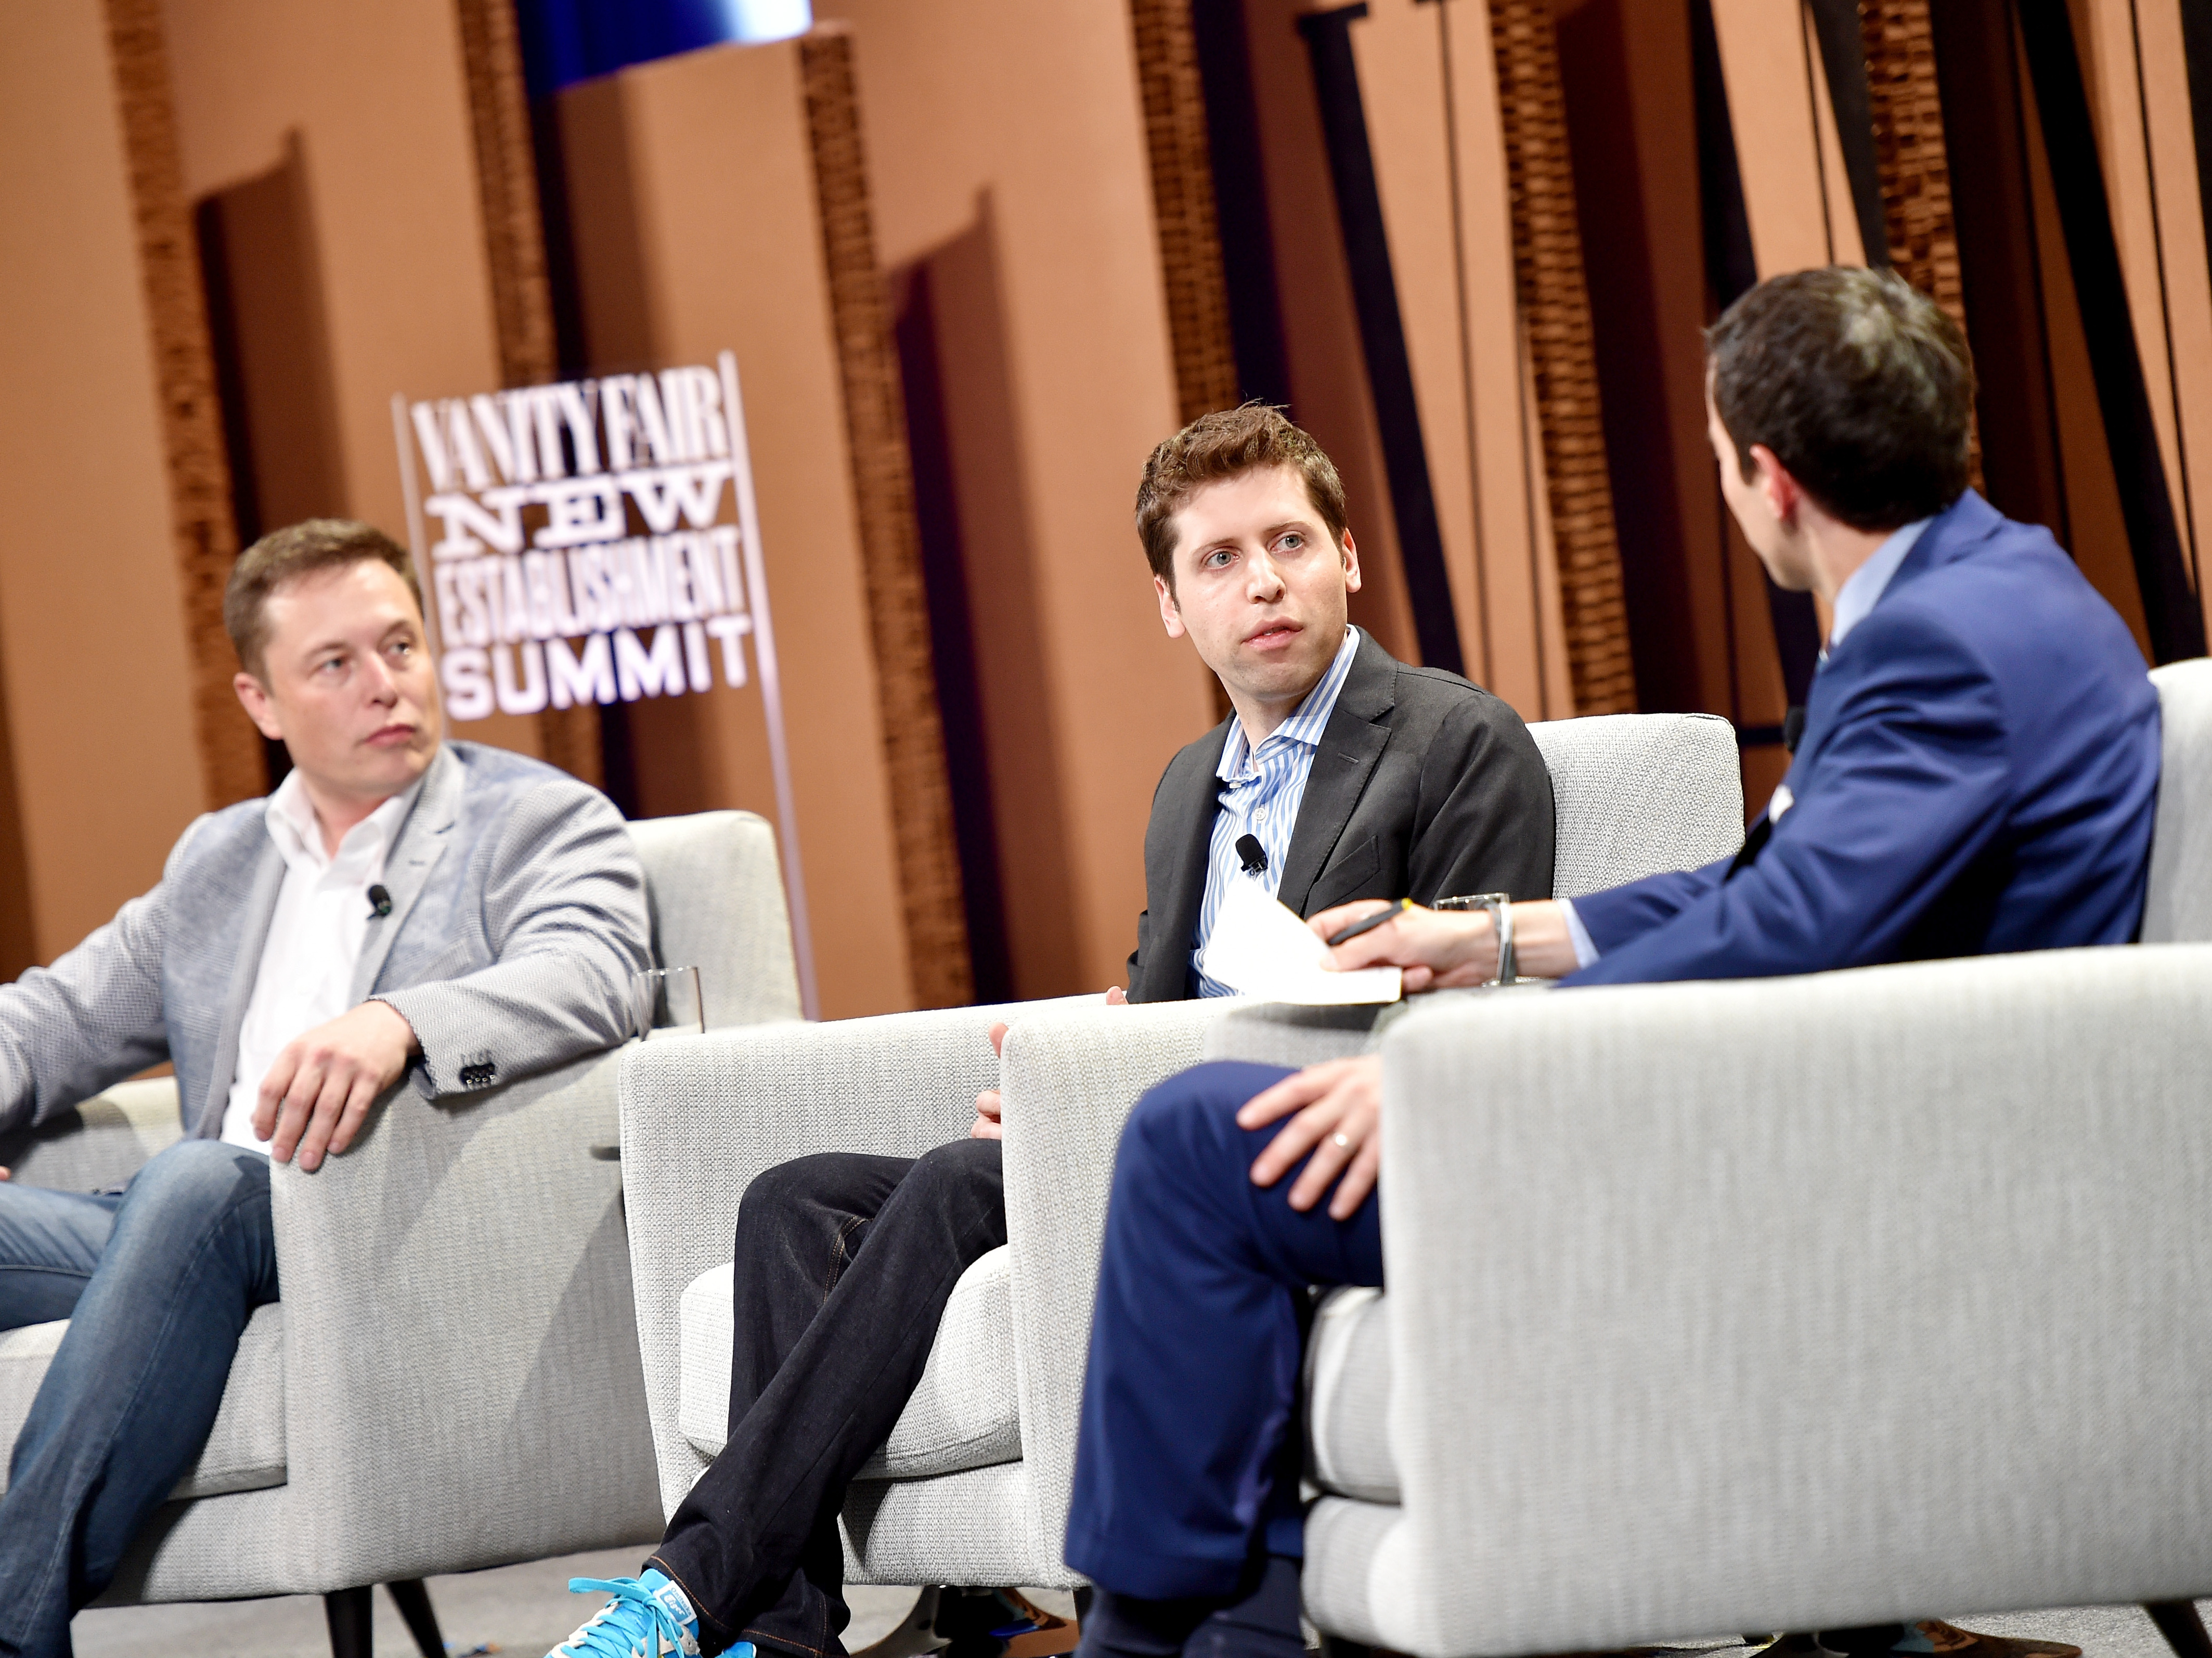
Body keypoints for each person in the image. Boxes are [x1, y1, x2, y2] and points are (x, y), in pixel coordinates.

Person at [1063, 267, 2158, 1658]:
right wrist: (1499, 936)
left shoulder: (1934, 645)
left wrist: (1477, 1070)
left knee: (1186, 1143)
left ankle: (1157, 1641)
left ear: (1764, 479)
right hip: (1856, 1104)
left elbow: (1785, 928)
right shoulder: (2005, 585)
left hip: (1843, 1167)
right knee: (1205, 1133)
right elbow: (1779, 881)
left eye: (1709, 458)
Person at [548, 405, 1558, 1658]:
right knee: (792, 1200)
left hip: (1301, 1144)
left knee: (961, 1182)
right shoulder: (1193, 779)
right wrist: (1063, 1078)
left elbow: (1477, 1016)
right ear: (1171, 606)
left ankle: (686, 1590)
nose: (1265, 583)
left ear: (1348, 556)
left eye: (1290, 542)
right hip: (1143, 1131)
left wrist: (1092, 1098)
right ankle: (787, 1634)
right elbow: (1158, 995)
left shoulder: (1459, 742)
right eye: (1220, 560)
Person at [0, 519, 650, 1657]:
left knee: (200, 1178)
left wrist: (402, 1020)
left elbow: (595, 973)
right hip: (182, 1232)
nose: (385, 684)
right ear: (261, 702)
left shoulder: (531, 820)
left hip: (368, 1218)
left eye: (400, 646)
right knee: (187, 1193)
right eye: (336, 665)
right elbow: (54, 1019)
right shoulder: (223, 859)